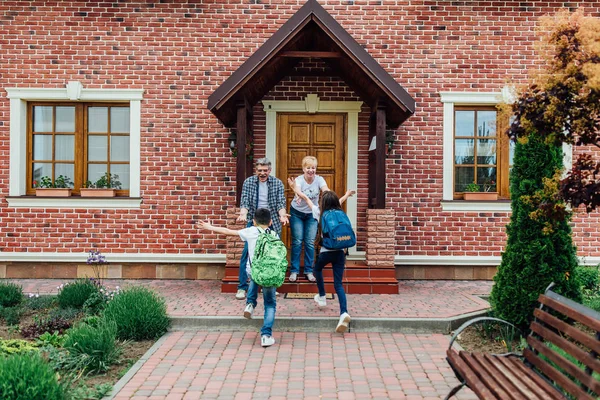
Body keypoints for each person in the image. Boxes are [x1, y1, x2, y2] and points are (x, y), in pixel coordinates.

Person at [198, 208, 278, 347]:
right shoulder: (274, 235)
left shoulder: (251, 231)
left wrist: (209, 227)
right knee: (270, 305)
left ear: (253, 221)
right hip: (270, 273)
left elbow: (228, 232)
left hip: (255, 271)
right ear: (271, 222)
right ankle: (266, 336)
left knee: (253, 278)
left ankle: (250, 304)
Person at [288, 179, 355, 333]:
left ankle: (322, 296)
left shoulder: (319, 211)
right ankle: (344, 312)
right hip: (340, 252)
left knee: (317, 270)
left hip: (325, 252)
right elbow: (339, 201)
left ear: (323, 202)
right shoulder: (340, 212)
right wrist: (346, 195)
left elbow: (305, 198)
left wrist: (294, 188)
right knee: (338, 285)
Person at [235, 158, 288, 300]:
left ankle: (271, 285)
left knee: (272, 255)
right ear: (256, 170)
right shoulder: (249, 182)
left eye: (265, 170)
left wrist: (282, 216)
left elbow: (280, 203)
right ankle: (242, 287)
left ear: (269, 171)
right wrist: (243, 214)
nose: (262, 173)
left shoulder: (277, 183)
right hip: (254, 220)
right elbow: (245, 201)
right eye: (260, 170)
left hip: (272, 221)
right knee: (247, 253)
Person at [288, 156, 329, 283]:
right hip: (297, 213)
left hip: (312, 214)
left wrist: (329, 195)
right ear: (303, 169)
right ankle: (294, 271)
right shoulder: (300, 179)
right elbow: (298, 190)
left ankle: (309, 271)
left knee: (310, 242)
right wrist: (298, 194)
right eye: (308, 168)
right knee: (297, 241)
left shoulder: (319, 179)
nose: (311, 170)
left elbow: (325, 190)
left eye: (313, 168)